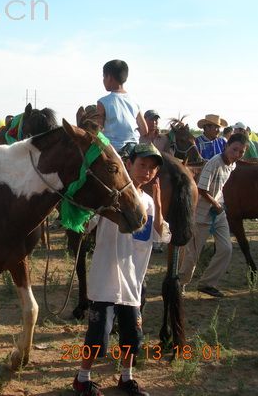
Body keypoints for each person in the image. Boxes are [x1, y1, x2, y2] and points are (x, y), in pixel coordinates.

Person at [72, 143, 170, 396]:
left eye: (151, 168)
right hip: (105, 277)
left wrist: (158, 203)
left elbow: (160, 235)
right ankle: (82, 378)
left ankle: (126, 378)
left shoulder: (148, 202)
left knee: (132, 335)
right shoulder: (110, 197)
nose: (146, 171)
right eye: (142, 165)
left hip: (133, 281)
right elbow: (86, 223)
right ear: (129, 165)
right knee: (98, 333)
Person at [179, 133, 249, 297]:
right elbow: (201, 189)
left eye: (241, 152)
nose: (237, 154)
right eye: (234, 150)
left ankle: (207, 283)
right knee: (192, 255)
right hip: (203, 213)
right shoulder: (214, 163)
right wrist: (216, 204)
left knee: (226, 249)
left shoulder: (232, 165)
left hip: (218, 212)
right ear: (226, 146)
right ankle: (179, 283)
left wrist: (219, 205)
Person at [96, 60, 148, 152]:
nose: (103, 80)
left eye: (104, 77)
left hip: (113, 151)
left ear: (109, 77)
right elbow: (144, 130)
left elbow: (98, 132)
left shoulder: (102, 102)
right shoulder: (134, 101)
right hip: (134, 150)